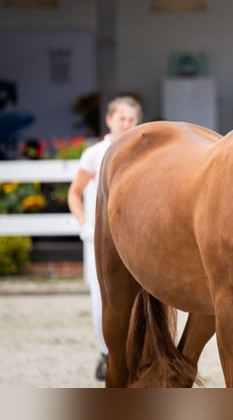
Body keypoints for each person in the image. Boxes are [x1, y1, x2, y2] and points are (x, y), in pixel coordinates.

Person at [67, 95, 142, 381]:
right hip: (101, 237)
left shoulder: (142, 150)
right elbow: (75, 192)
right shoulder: (95, 153)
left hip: (132, 235)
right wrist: (84, 226)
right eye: (122, 118)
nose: (127, 123)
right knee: (102, 299)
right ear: (110, 120)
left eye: (132, 119)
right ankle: (107, 352)